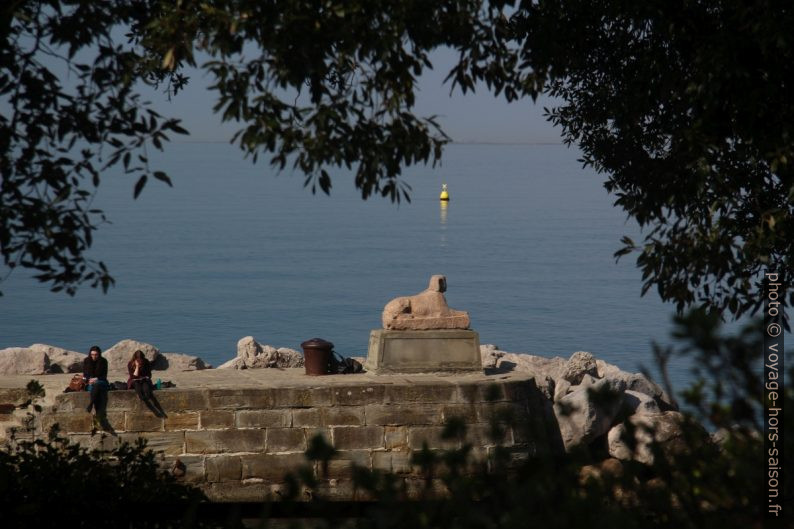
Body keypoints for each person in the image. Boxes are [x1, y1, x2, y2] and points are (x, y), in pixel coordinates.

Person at [127, 350, 165, 417]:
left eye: (141, 360)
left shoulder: (146, 362)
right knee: (138, 388)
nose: (140, 361)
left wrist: (146, 377)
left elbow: (149, 374)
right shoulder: (130, 363)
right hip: (135, 380)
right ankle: (143, 399)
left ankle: (147, 399)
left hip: (144, 380)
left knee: (146, 389)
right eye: (138, 360)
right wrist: (137, 367)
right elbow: (133, 376)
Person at [83, 345, 109, 426]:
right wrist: (88, 380)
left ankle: (91, 404)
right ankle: (98, 413)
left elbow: (104, 376)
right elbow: (85, 375)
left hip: (102, 381)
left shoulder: (103, 361)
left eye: (96, 355)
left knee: (97, 385)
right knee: (95, 387)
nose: (94, 356)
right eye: (92, 354)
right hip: (91, 383)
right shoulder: (86, 361)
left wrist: (96, 378)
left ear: (99, 354)